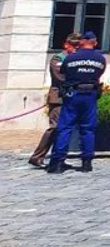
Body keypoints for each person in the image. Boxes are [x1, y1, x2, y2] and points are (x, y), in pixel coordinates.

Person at [45, 30, 108, 174]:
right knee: (88, 129)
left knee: (65, 128)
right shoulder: (100, 59)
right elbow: (100, 73)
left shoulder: (71, 58)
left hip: (73, 94)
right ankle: (87, 163)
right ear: (95, 43)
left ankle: (58, 162)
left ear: (81, 42)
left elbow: (65, 73)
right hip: (90, 94)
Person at [29, 33, 79, 168]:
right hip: (58, 98)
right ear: (66, 45)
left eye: (78, 47)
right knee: (55, 128)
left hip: (71, 98)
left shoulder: (75, 60)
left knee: (65, 129)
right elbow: (60, 77)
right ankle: (37, 156)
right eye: (73, 46)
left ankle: (59, 157)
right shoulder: (58, 58)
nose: (75, 49)